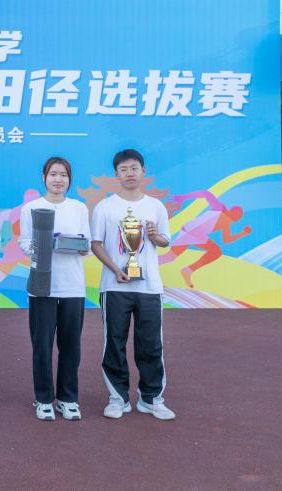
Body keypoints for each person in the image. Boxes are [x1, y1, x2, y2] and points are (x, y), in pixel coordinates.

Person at [90, 149, 175, 421]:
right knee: (114, 343)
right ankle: (118, 398)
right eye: (124, 169)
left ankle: (151, 399)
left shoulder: (156, 206)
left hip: (149, 287)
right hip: (114, 286)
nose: (129, 173)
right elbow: (96, 244)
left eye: (134, 168)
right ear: (116, 174)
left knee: (151, 344)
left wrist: (154, 235)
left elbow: (165, 241)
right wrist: (115, 269)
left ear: (143, 172)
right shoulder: (105, 207)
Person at [18, 157, 90, 421]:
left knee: (71, 346)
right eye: (53, 174)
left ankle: (68, 399)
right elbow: (24, 243)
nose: (58, 179)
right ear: (44, 177)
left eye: (63, 175)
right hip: (42, 286)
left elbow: (87, 244)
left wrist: (74, 246)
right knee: (42, 345)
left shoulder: (79, 208)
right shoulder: (32, 208)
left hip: (72, 287)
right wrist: (42, 245)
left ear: (69, 180)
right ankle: (44, 399)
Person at [163, 190, 251, 288]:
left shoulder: (227, 222)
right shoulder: (220, 208)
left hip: (191, 231)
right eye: (238, 216)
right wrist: (183, 197)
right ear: (233, 213)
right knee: (215, 251)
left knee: (170, 257)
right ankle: (188, 270)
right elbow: (206, 194)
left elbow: (226, 240)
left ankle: (187, 270)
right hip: (193, 232)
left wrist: (243, 233)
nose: (237, 219)